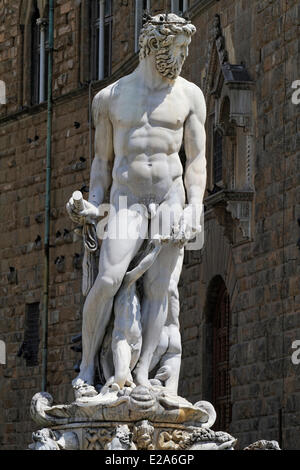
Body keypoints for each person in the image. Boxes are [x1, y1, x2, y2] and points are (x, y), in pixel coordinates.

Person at [66, 13, 207, 397]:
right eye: (177, 48)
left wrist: (195, 208)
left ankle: (143, 373)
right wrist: (93, 206)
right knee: (108, 279)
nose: (181, 57)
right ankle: (89, 365)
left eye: (185, 50)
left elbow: (195, 161)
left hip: (169, 199)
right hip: (125, 201)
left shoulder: (190, 95)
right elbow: (101, 163)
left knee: (162, 287)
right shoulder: (109, 98)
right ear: (154, 45)